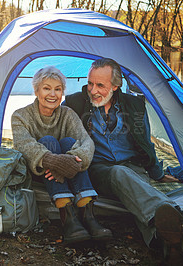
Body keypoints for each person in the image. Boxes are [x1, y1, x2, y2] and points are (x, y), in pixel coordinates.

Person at [64, 58, 183, 264]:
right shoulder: (74, 103)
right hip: (99, 169)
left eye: (100, 85)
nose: (93, 90)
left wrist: (158, 173)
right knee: (119, 173)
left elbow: (146, 142)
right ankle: (181, 220)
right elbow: (59, 132)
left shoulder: (134, 105)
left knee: (140, 198)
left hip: (134, 166)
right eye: (90, 83)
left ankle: (171, 244)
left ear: (115, 86)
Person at [11, 66, 112, 244]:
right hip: (39, 172)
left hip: (67, 171)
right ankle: (68, 215)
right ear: (36, 90)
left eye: (58, 89)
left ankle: (87, 213)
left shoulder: (68, 114)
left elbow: (87, 142)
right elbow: (24, 145)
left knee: (68, 143)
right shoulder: (20, 116)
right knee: (48, 140)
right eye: (47, 88)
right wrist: (52, 161)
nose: (53, 94)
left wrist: (72, 162)